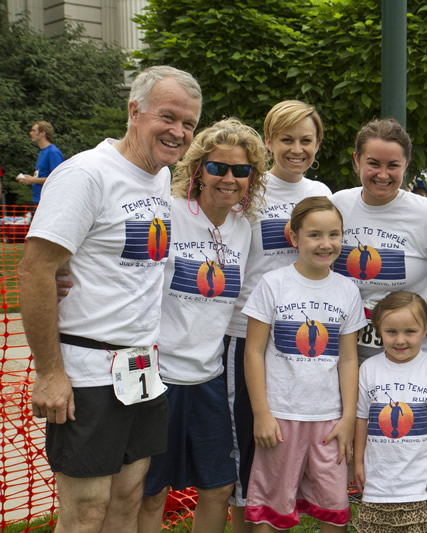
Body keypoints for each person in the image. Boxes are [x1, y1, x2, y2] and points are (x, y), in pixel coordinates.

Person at [18, 66, 202, 533]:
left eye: (189, 124)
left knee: (127, 499)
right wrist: (50, 374)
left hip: (141, 369)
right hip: (86, 373)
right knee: (86, 512)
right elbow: (36, 269)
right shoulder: (86, 174)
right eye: (168, 116)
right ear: (133, 111)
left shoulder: (160, 179)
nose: (177, 132)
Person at [136, 119, 267, 532]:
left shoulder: (243, 228)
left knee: (219, 488)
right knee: (151, 490)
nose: (229, 178)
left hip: (210, 377)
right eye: (218, 168)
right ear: (198, 170)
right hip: (159, 377)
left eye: (241, 171)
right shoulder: (169, 213)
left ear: (252, 178)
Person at [223, 100, 332, 532]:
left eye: (306, 140)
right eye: (286, 139)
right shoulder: (247, 190)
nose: (296, 149)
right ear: (268, 141)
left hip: (304, 343)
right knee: (245, 457)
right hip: (246, 337)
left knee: (282, 453)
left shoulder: (320, 194)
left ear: (317, 143)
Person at [242, 196, 367, 532]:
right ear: (294, 237)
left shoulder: (347, 290)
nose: (325, 244)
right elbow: (253, 352)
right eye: (314, 235)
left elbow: (348, 358)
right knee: (271, 508)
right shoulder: (273, 284)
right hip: (281, 418)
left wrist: (348, 419)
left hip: (329, 421)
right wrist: (261, 414)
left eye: (334, 234)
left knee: (334, 506)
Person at [331, 118, 427, 364]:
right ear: (356, 160)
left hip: (414, 361)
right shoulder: (337, 206)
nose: (382, 175)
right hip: (349, 359)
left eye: (393, 165)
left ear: (406, 165)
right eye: (373, 164)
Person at [352, 291, 427, 533]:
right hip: (378, 483)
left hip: (420, 483)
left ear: (426, 328)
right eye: (391, 332)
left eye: (410, 331)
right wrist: (358, 462)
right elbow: (361, 419)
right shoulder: (369, 369)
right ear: (378, 329)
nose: (400, 340)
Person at [17, 120, 65, 205]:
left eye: (33, 131)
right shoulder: (43, 151)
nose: (30, 133)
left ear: (42, 133)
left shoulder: (53, 152)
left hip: (47, 201)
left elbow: (57, 178)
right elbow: (42, 174)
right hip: (37, 199)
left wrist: (33, 180)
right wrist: (28, 179)